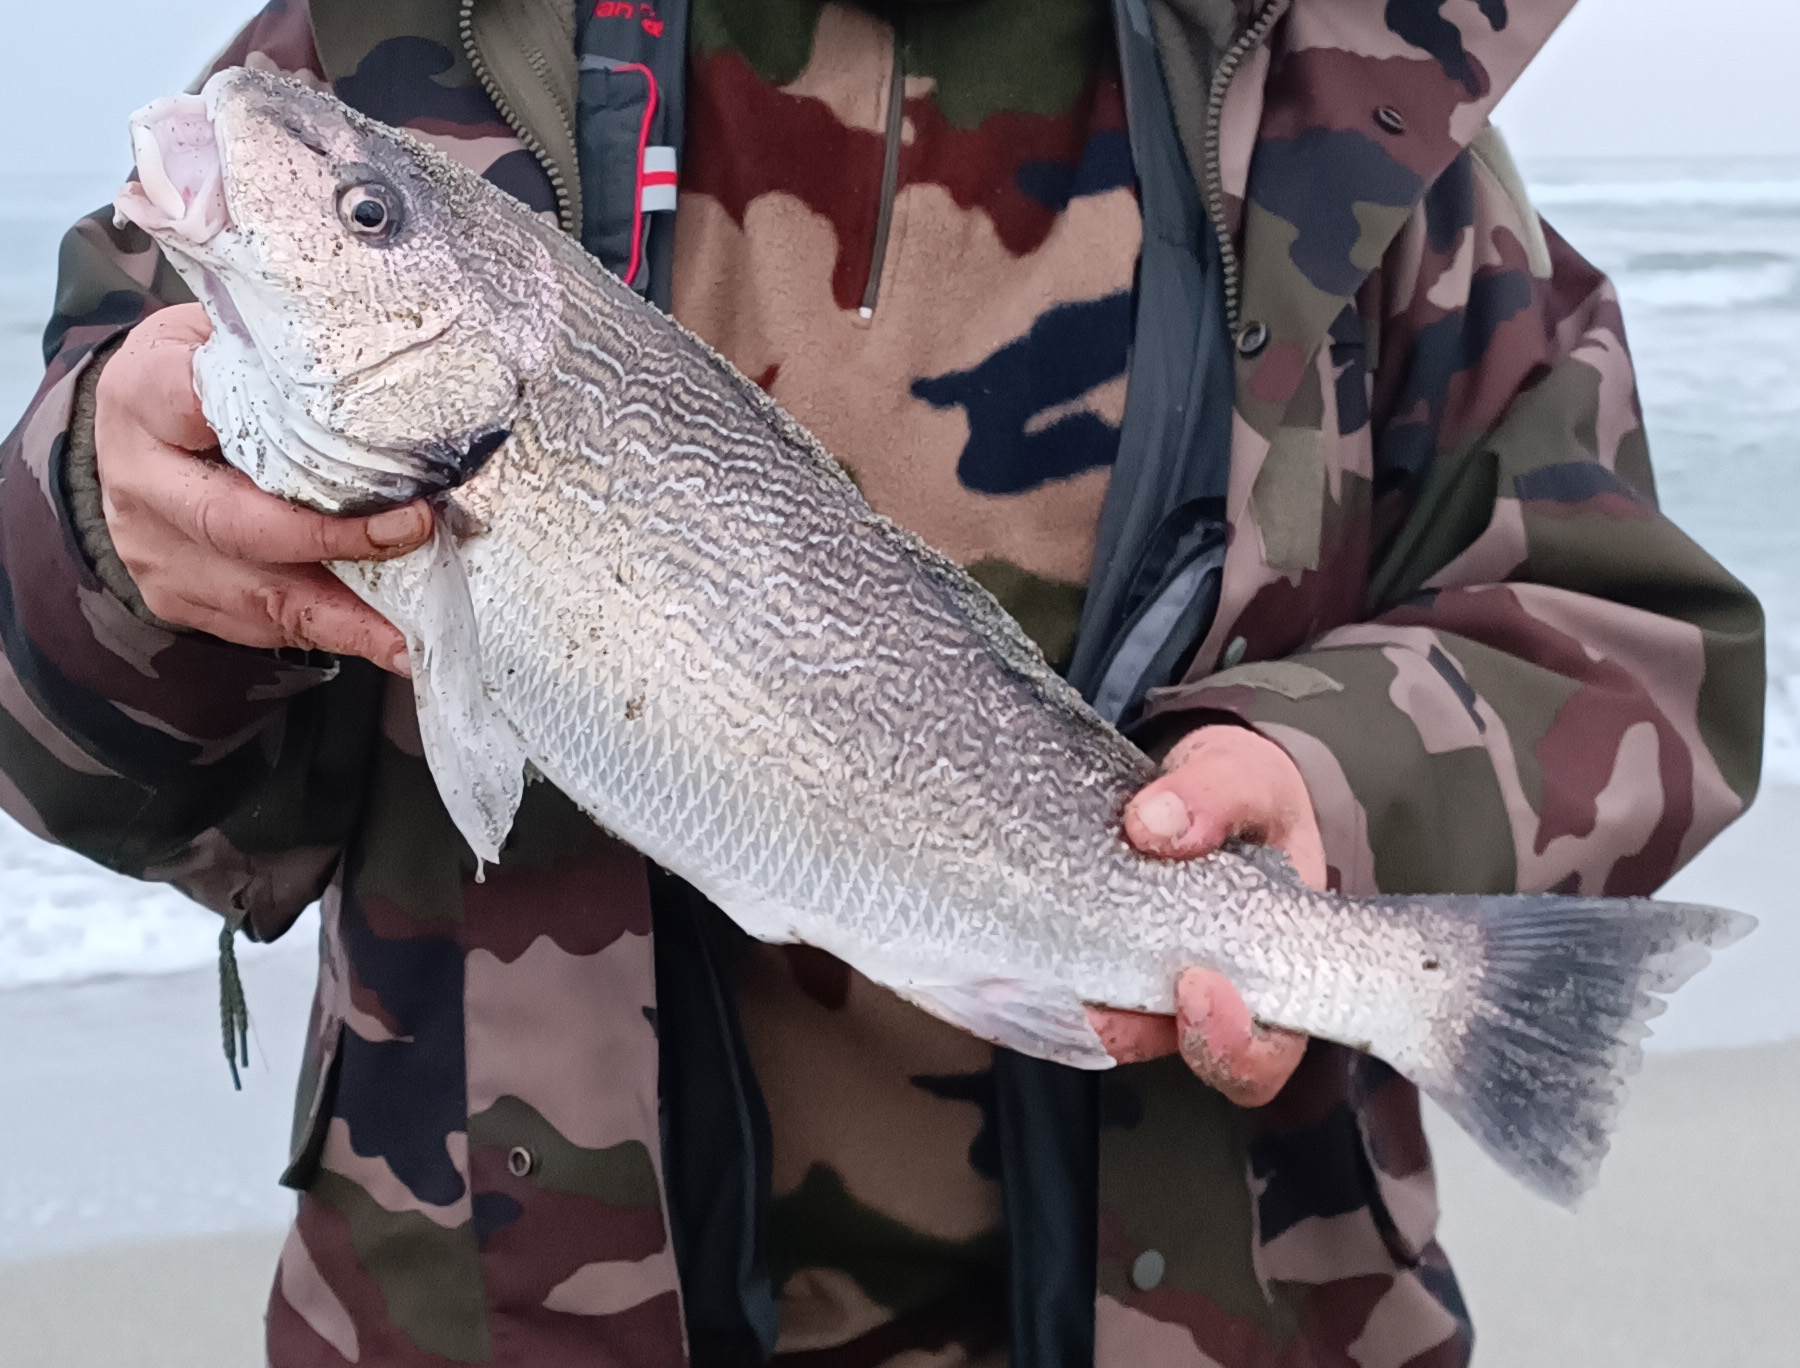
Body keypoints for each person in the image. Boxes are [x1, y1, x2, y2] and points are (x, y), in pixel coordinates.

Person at [0, 0, 1764, 1364]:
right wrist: (101, 526)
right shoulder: (383, 70)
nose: (324, 194)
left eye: (368, 216)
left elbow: (1626, 634)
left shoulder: (1356, 103)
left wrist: (1336, 780)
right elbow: (67, 760)